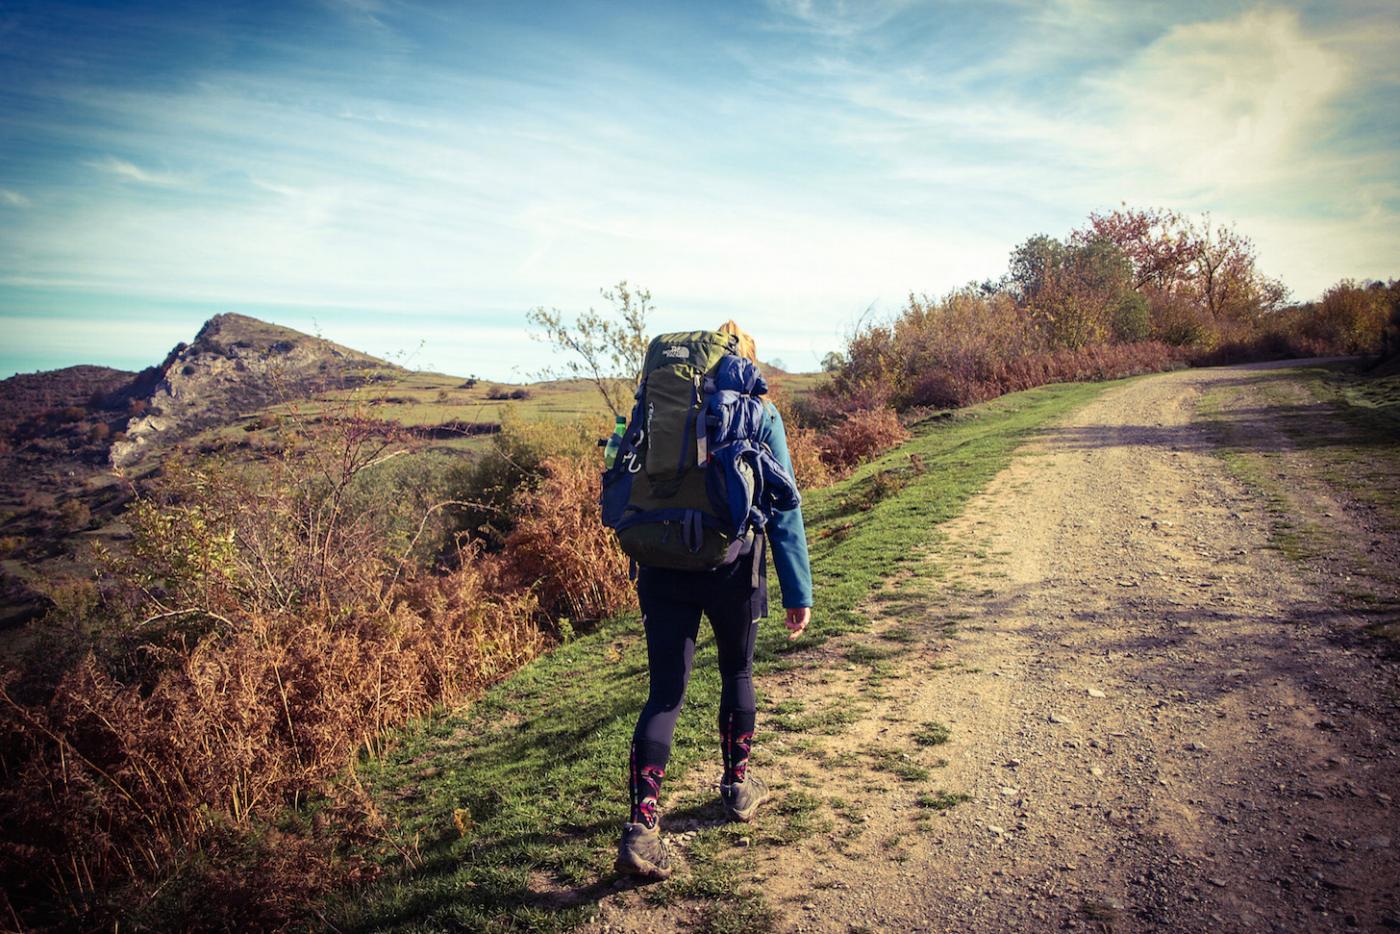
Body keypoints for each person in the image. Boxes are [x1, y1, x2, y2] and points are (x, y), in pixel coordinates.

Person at [615, 320, 814, 881]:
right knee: (737, 672)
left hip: (661, 557)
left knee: (664, 693)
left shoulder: (656, 404)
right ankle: (737, 787)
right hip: (733, 562)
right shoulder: (758, 411)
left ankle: (642, 828)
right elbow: (784, 504)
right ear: (744, 362)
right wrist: (798, 588)